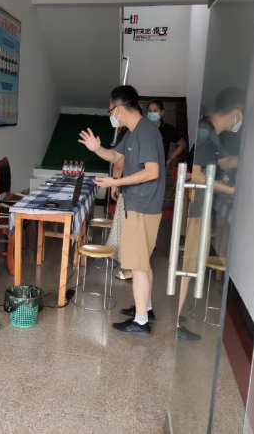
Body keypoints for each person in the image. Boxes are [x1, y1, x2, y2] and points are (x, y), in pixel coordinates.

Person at [79, 85, 165, 337]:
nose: (111, 115)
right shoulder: (133, 131)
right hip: (138, 203)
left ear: (119, 108)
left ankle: (141, 322)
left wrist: (115, 182)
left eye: (110, 110)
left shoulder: (146, 132)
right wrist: (96, 148)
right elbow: (115, 157)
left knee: (137, 265)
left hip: (142, 205)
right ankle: (146, 308)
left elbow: (152, 172)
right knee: (142, 262)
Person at [177, 87, 244, 341]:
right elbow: (196, 174)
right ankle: (176, 323)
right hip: (198, 205)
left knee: (194, 260)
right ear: (236, 112)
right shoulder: (205, 131)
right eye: (243, 115)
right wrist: (230, 189)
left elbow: (222, 162)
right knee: (191, 261)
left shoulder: (211, 132)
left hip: (203, 203)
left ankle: (179, 315)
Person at [146, 99, 188, 166]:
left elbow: (182, 145)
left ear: (162, 112)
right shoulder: (142, 128)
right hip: (142, 165)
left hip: (160, 166)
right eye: (149, 111)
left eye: (155, 111)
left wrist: (170, 159)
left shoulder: (168, 129)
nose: (152, 113)